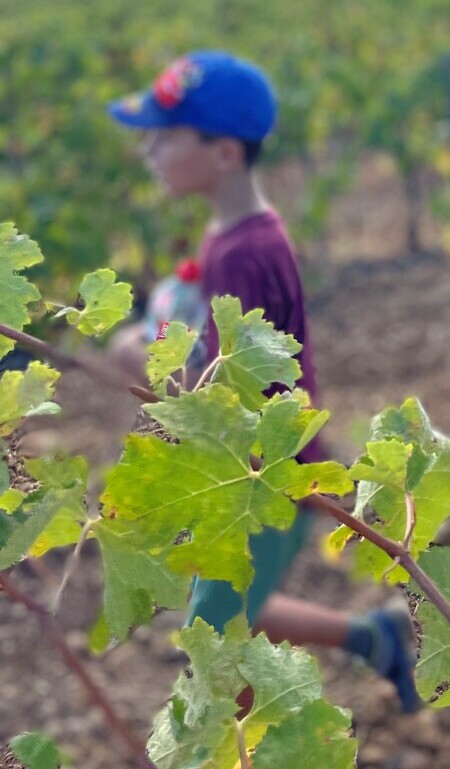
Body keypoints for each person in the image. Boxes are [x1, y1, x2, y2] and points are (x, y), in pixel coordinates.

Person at [107, 50, 419, 713]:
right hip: (262, 476)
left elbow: (231, 402)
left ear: (223, 154)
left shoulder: (244, 253)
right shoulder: (234, 235)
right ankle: (375, 638)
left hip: (260, 484)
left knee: (217, 654)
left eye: (164, 137)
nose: (147, 151)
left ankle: (245, 746)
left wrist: (144, 356)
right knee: (228, 611)